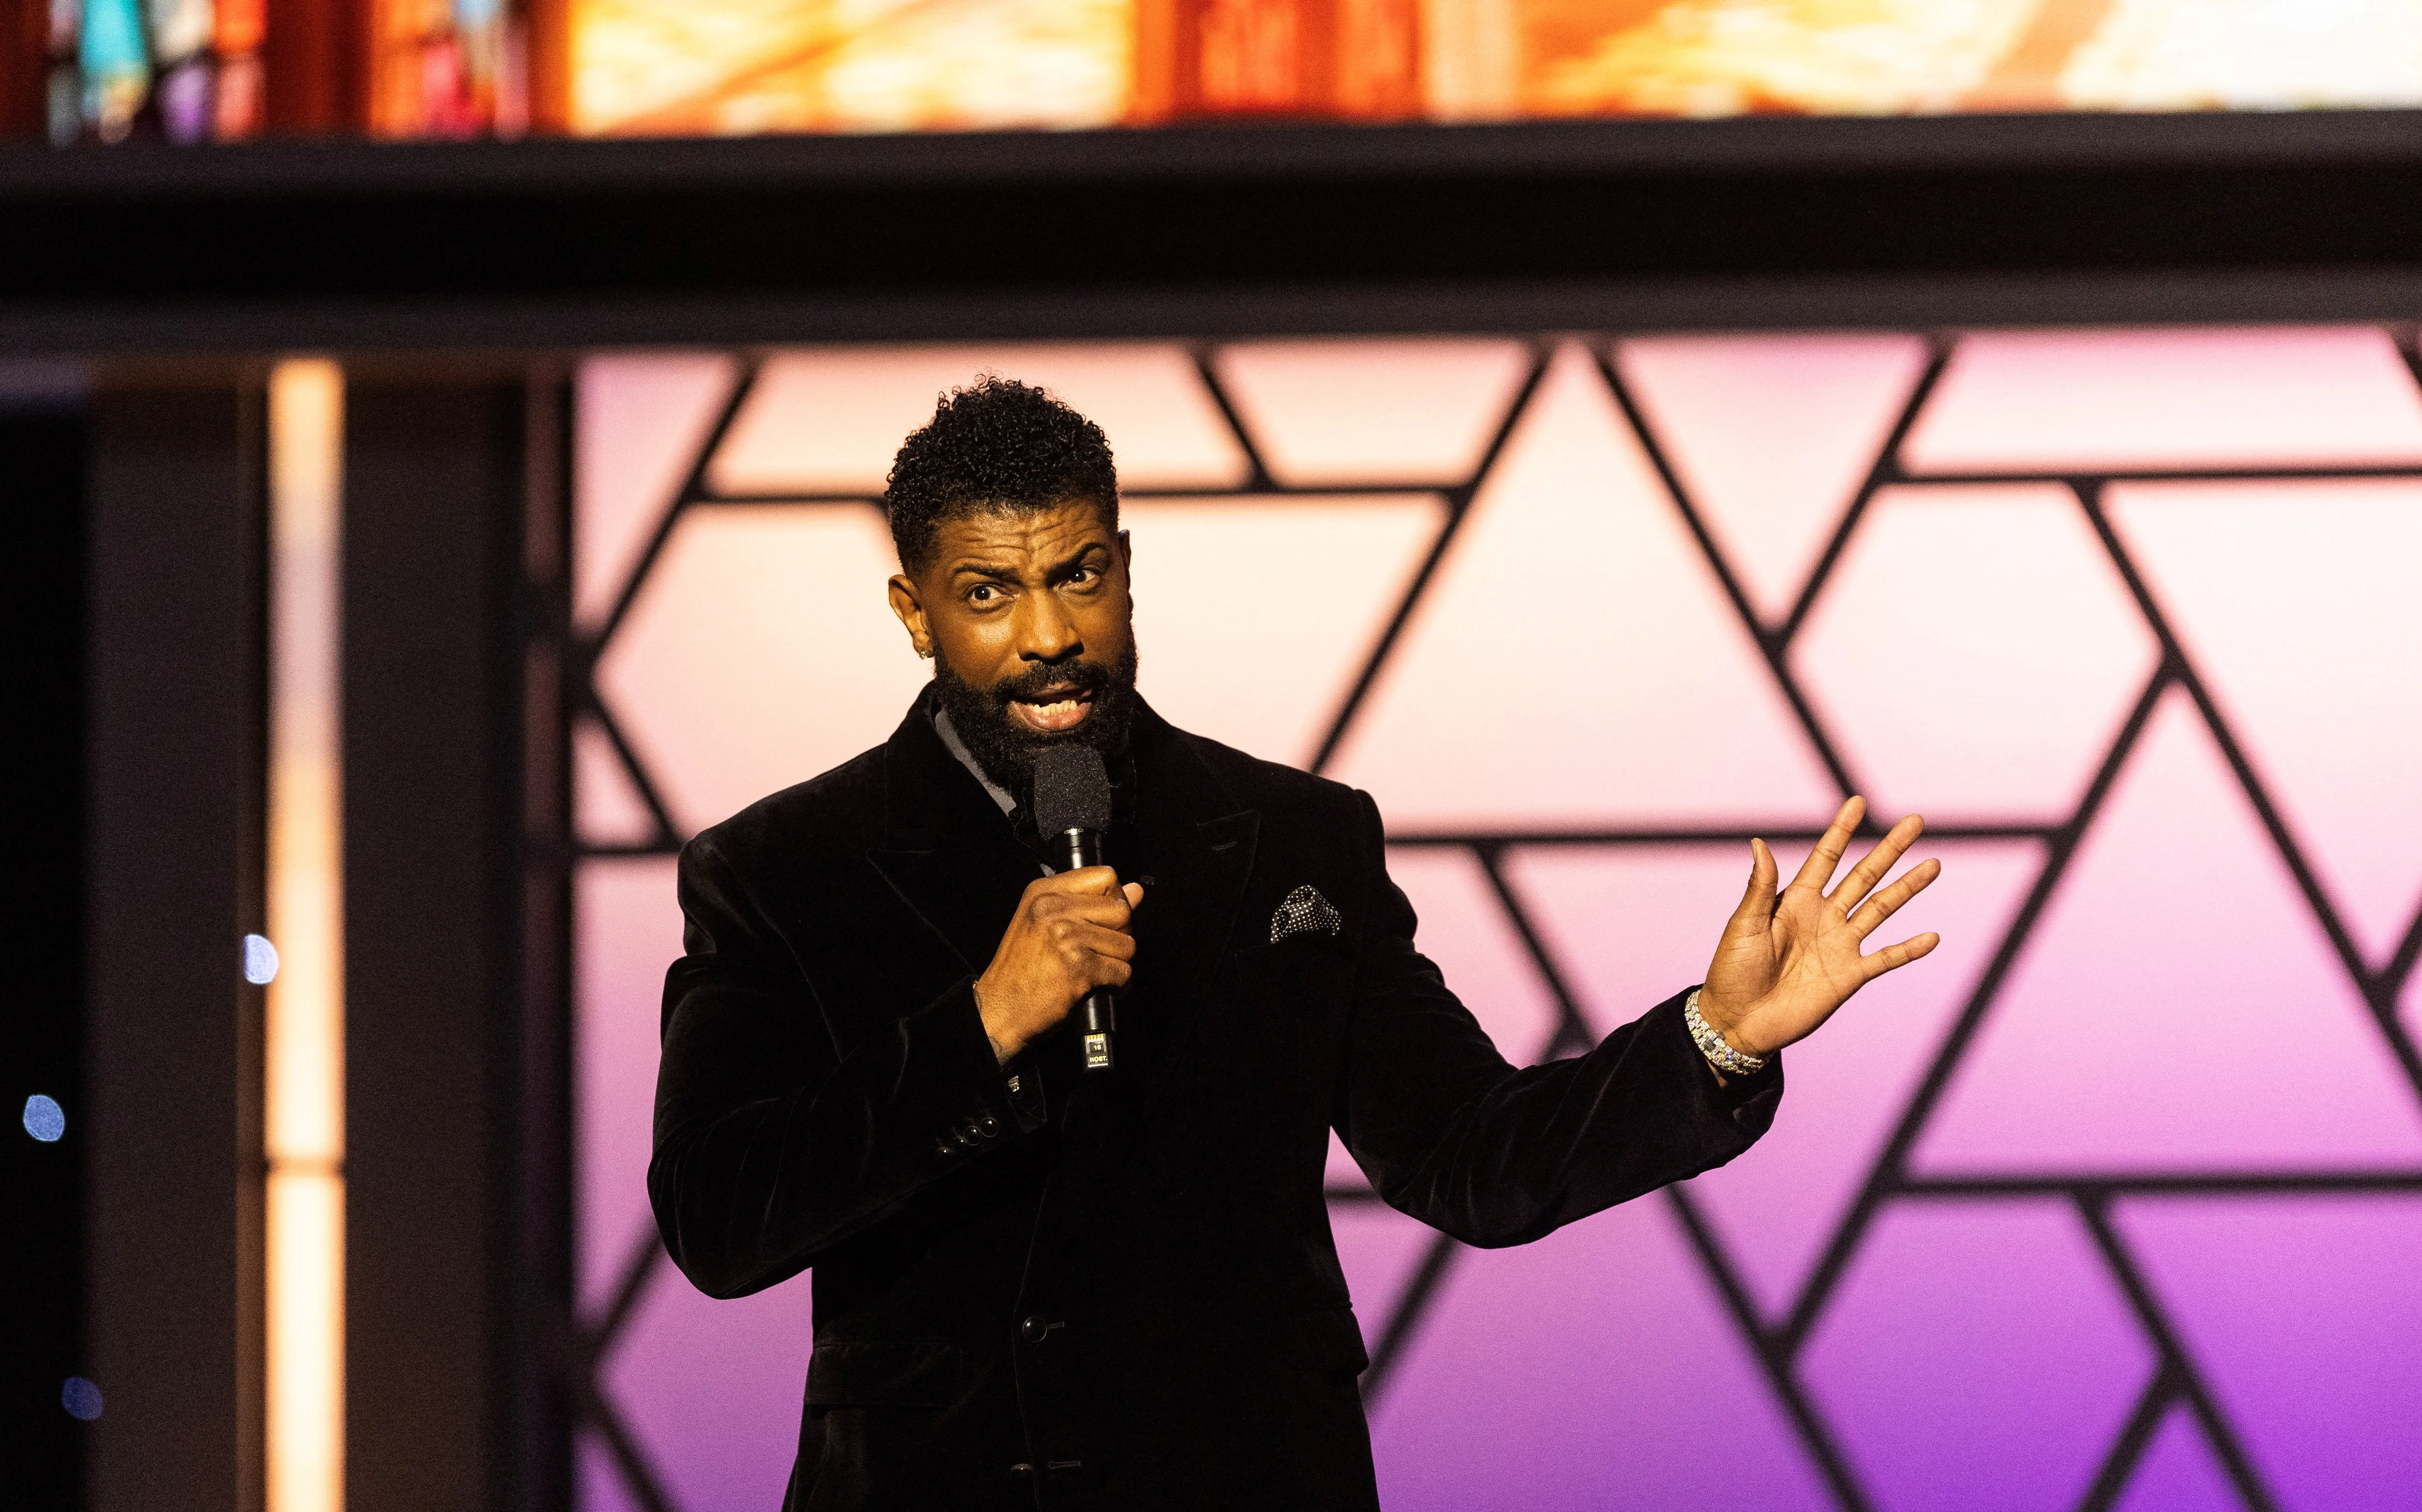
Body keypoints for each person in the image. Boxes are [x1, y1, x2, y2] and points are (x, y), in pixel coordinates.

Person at [647, 377, 1942, 1511]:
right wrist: (983, 1020)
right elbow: (720, 1221)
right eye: (988, 594)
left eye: (1077, 576)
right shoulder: (781, 871)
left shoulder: (1285, 838)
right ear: (914, 610)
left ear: (1125, 565)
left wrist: (1713, 1040)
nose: (1046, 638)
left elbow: (1468, 1160)